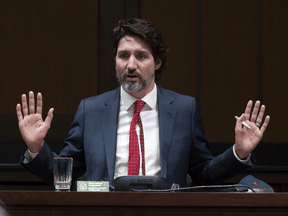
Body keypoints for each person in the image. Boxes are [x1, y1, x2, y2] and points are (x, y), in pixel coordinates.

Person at [17, 18, 270, 188]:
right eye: (123, 56)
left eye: (141, 56)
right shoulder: (91, 110)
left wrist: (240, 153)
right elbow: (66, 175)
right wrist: (36, 148)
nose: (130, 65)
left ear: (157, 62)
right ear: (115, 61)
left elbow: (202, 173)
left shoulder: (184, 109)